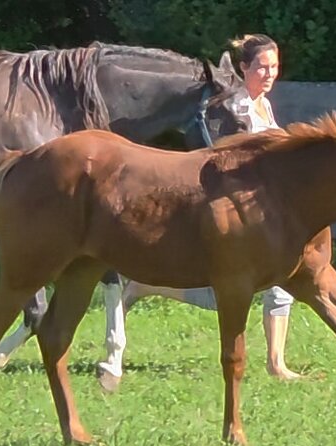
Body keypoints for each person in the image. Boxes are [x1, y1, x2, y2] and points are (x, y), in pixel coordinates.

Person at [107, 34, 301, 381]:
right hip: (235, 209)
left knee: (280, 281)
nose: (270, 74)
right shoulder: (236, 107)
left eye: (274, 67)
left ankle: (276, 362)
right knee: (221, 292)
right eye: (262, 67)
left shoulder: (264, 106)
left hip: (265, 208)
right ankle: (147, 285)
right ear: (244, 68)